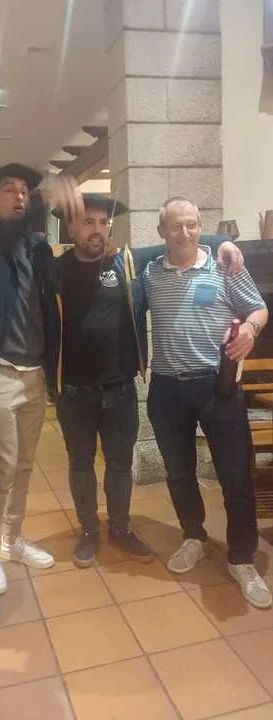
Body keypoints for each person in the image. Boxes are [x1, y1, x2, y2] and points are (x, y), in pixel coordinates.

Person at [47, 193, 243, 568]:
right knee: (80, 463)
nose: (97, 230)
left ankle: (120, 527)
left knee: (120, 464)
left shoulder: (128, 262)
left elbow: (181, 238)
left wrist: (224, 242)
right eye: (87, 222)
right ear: (70, 228)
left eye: (103, 223)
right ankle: (88, 531)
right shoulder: (53, 271)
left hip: (120, 387)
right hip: (73, 390)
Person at [144, 196, 272, 609]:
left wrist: (250, 329)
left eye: (192, 224)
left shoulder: (224, 265)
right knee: (179, 473)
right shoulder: (149, 273)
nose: (184, 233)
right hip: (167, 389)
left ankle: (242, 558)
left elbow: (258, 308)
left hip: (218, 388)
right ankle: (194, 536)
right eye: (175, 226)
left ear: (200, 227)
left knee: (236, 477)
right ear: (162, 232)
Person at [0, 164, 83, 594]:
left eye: (24, 191)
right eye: (9, 190)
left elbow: (65, 280)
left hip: (35, 375)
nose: (18, 196)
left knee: (26, 465)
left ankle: (13, 540)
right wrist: (44, 200)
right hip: (0, 375)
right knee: (2, 469)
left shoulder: (38, 248)